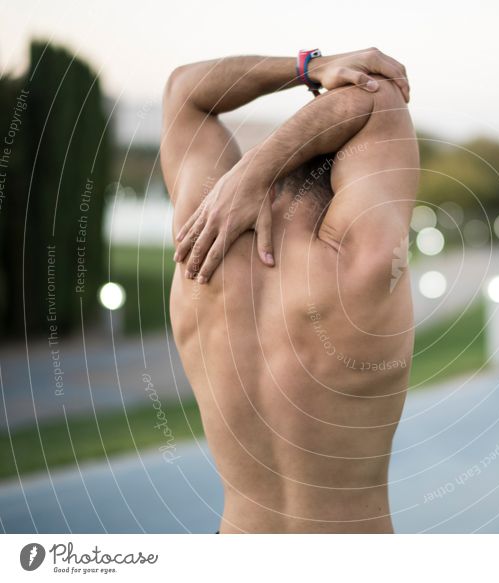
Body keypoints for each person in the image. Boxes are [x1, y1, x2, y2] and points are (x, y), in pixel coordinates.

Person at [160, 48, 418, 533]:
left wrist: (308, 66)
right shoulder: (361, 264)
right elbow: (379, 95)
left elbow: (184, 90)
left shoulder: (200, 249)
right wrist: (259, 166)